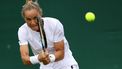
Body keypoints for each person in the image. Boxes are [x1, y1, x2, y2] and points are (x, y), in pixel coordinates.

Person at [18, 0, 79, 69]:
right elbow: (25, 59)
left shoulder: (54, 24)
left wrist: (49, 58)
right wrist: (38, 58)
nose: (33, 22)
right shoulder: (22, 31)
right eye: (28, 19)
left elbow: (61, 53)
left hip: (65, 64)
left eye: (35, 18)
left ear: (40, 14)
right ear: (24, 19)